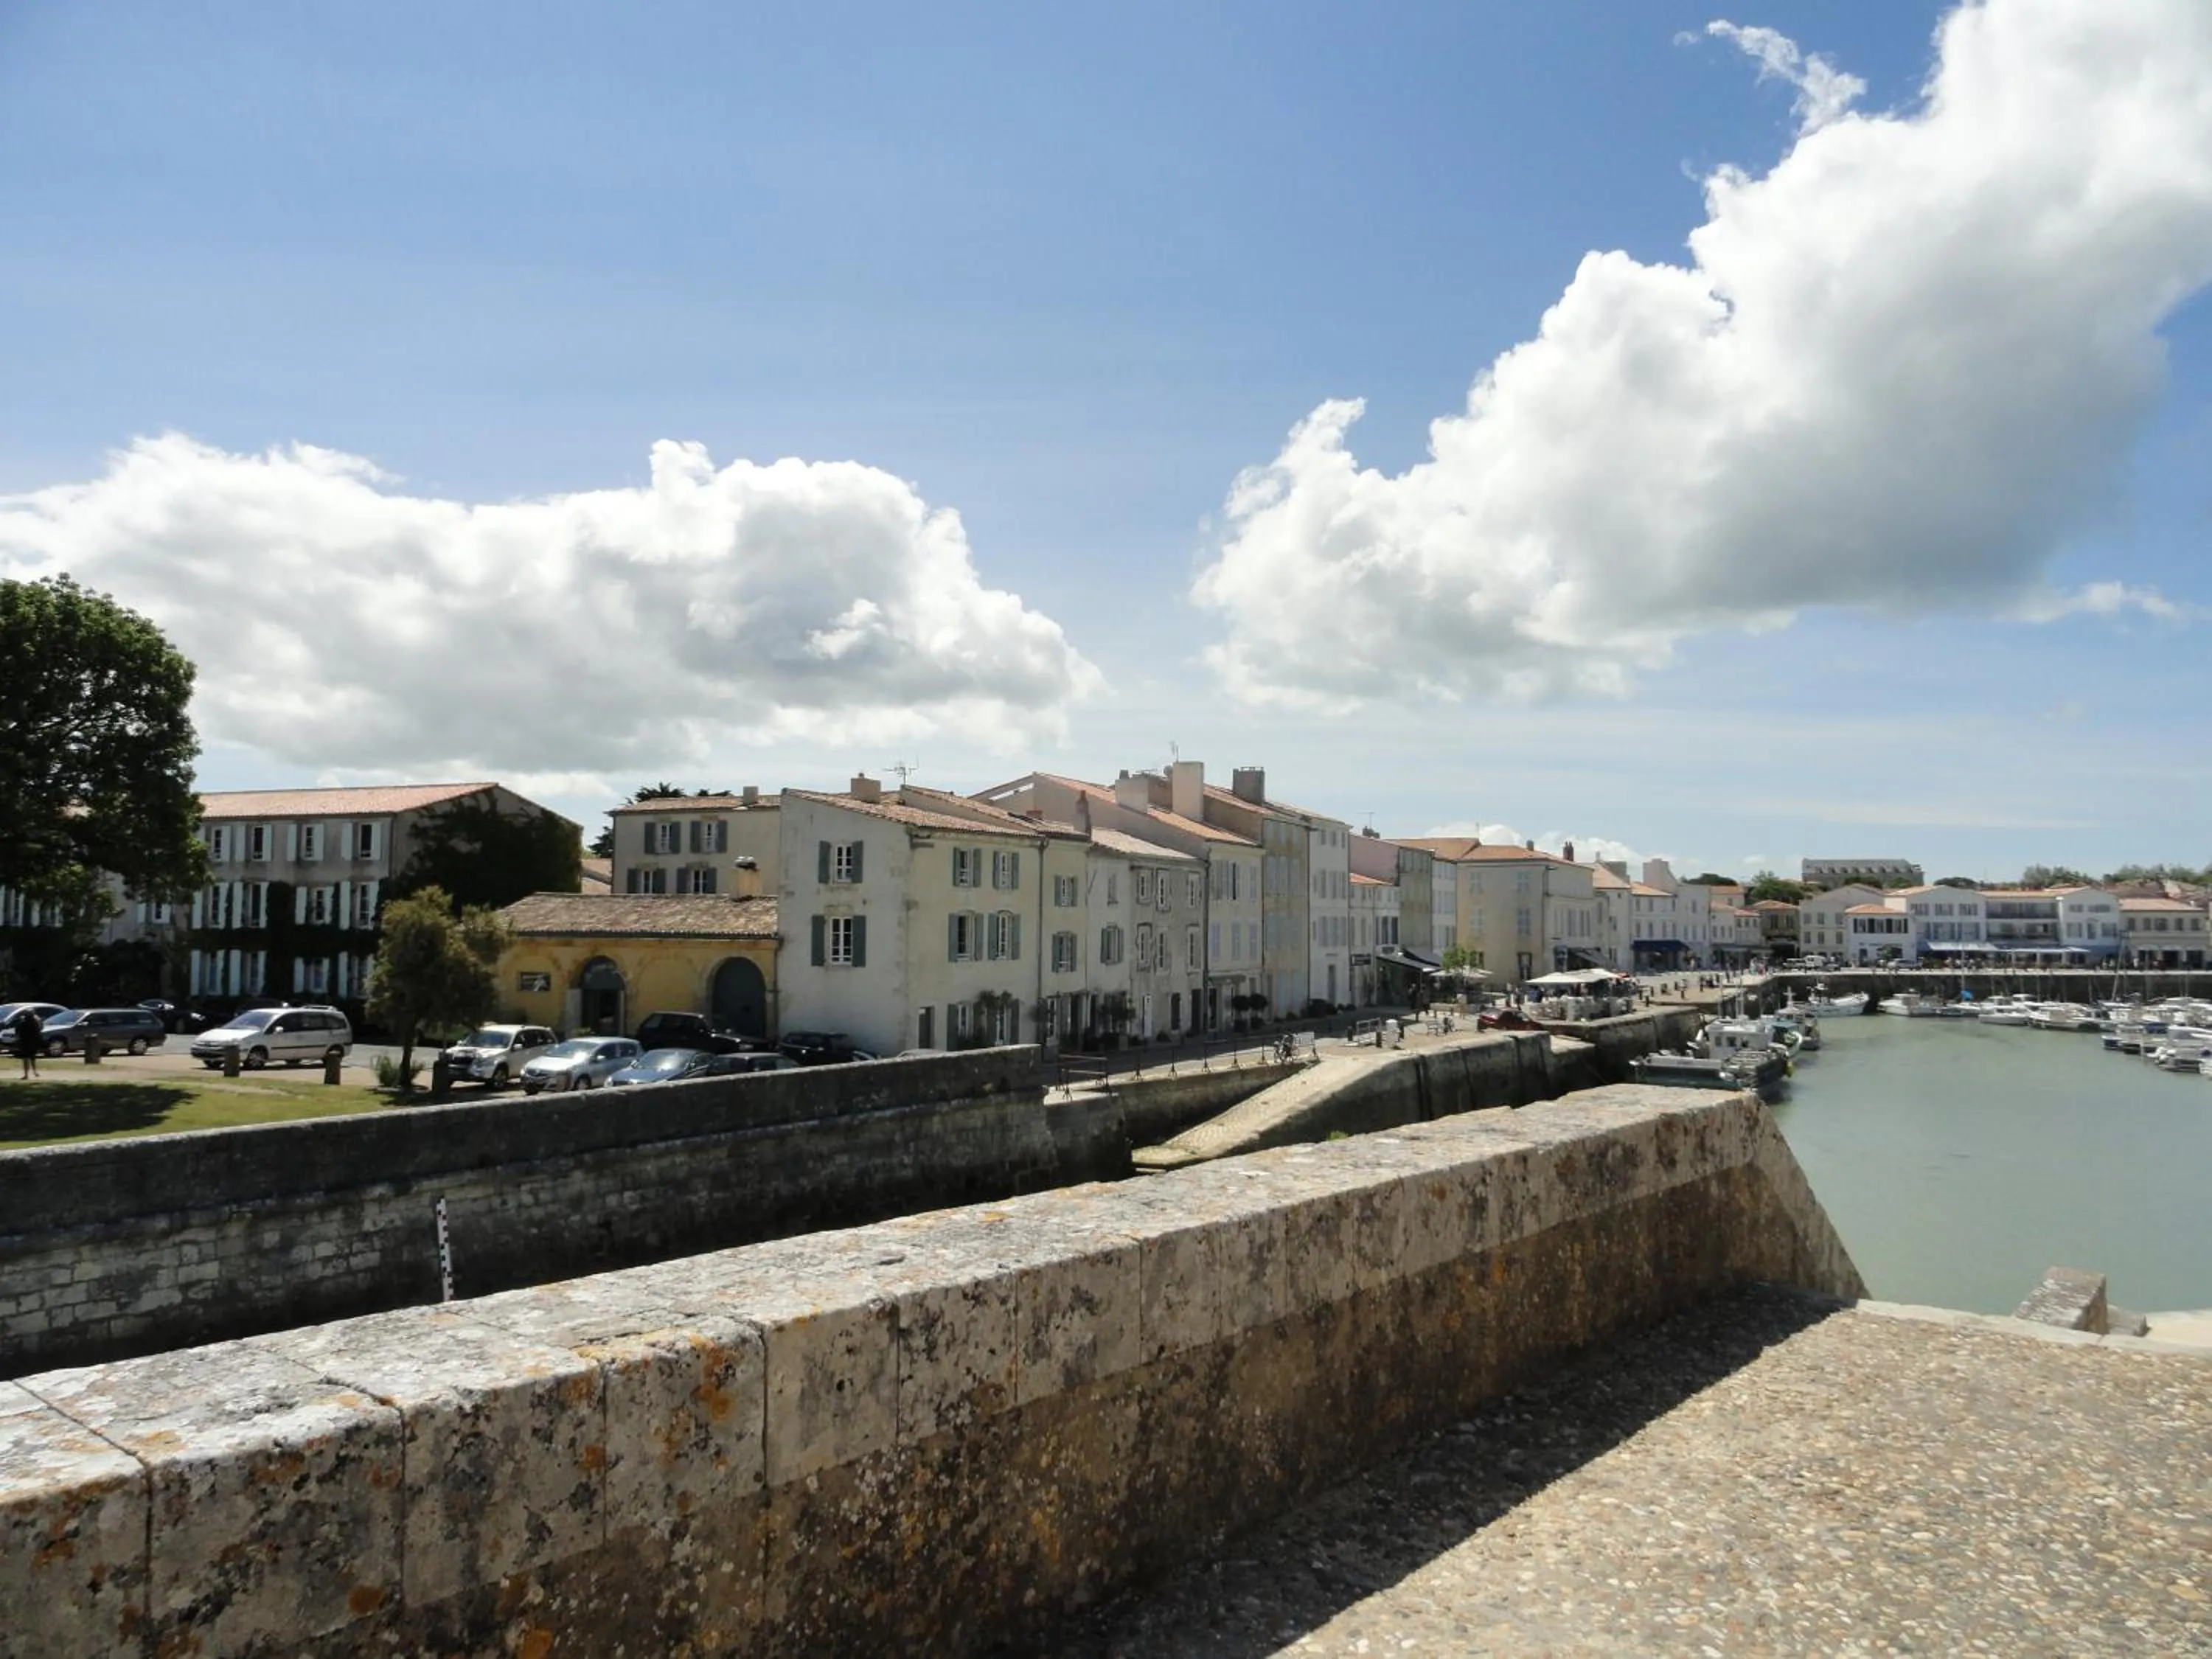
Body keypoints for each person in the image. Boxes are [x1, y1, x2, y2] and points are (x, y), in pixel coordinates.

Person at [10, 1006, 44, 1079]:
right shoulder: (35, 1022)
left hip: (25, 1042)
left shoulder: (23, 1022)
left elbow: (17, 1031)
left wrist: (17, 1039)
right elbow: (40, 1030)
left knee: (26, 1058)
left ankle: (27, 1075)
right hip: (32, 1043)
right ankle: (35, 1072)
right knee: (32, 1058)